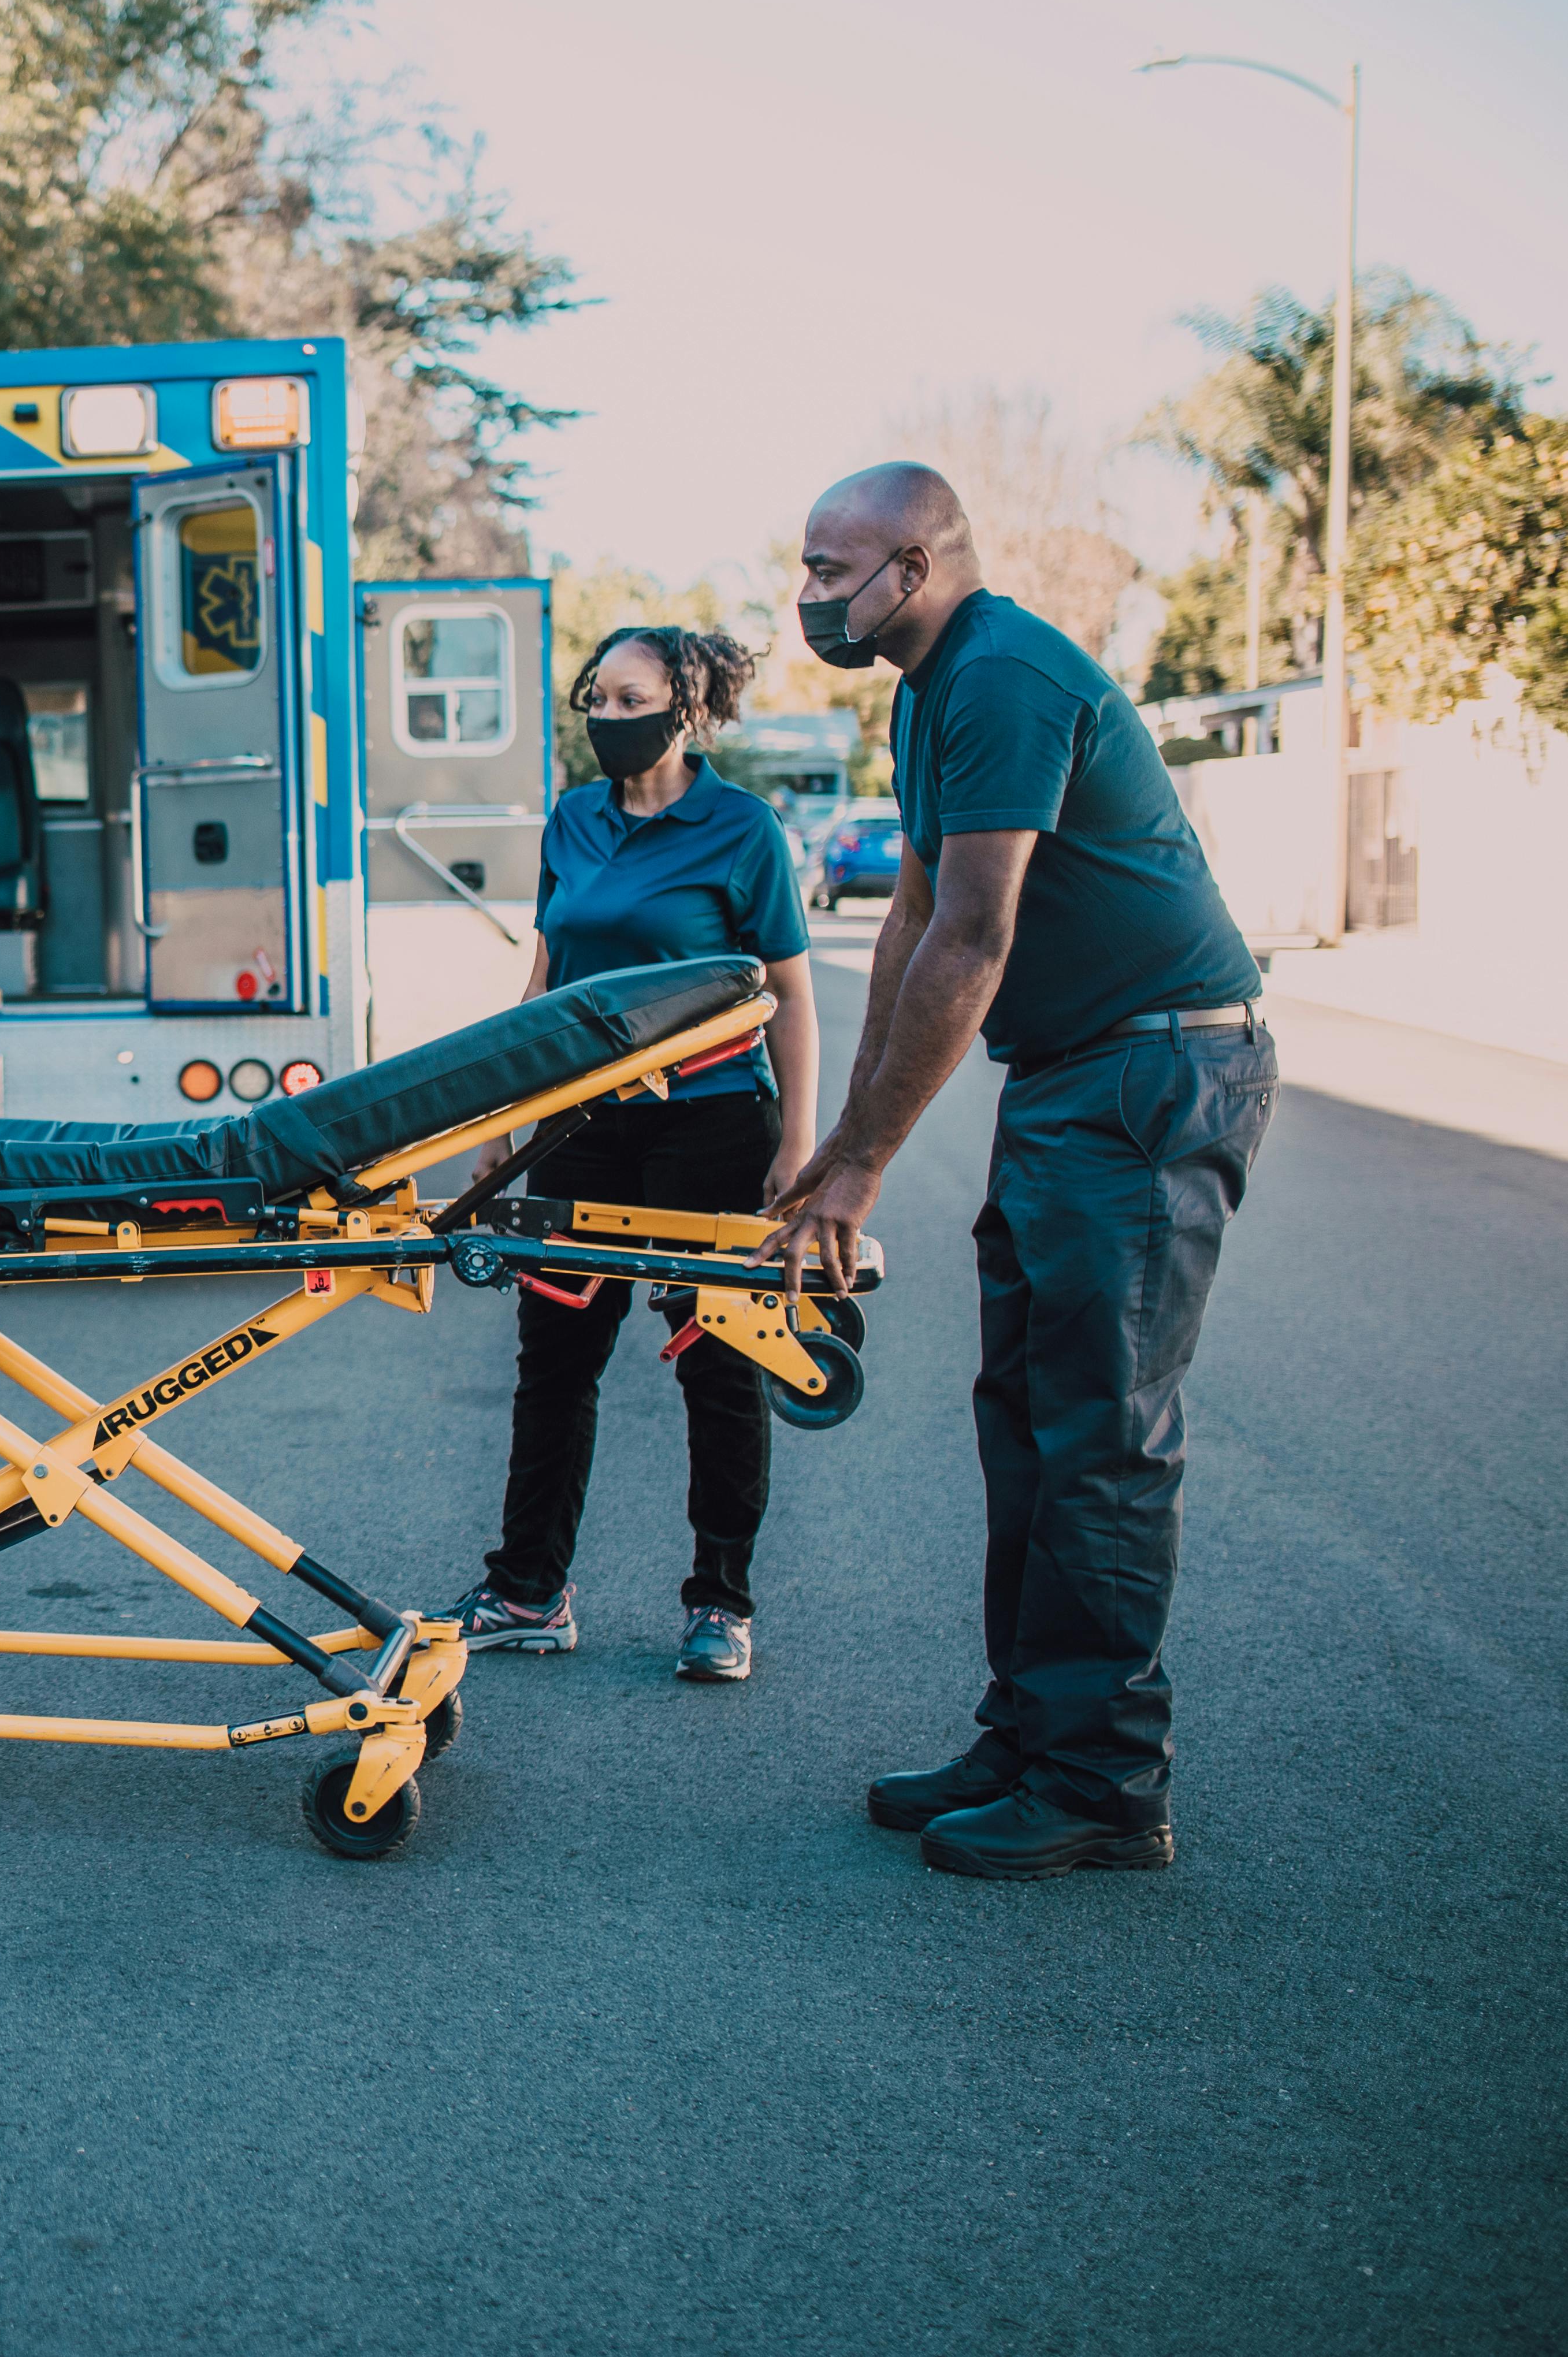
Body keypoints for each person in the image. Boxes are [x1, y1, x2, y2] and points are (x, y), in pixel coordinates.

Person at [760, 463, 1272, 1883]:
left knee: (1099, 1431)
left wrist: (866, 1163)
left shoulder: (1001, 677)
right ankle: (1031, 1734)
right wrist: (835, 1149)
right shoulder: (928, 692)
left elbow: (976, 938)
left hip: (1152, 1070)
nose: (809, 596)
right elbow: (910, 921)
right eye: (801, 571)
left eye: (828, 568)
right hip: (1075, 1075)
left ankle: (1106, 1781)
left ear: (914, 568)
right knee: (1030, 1420)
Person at [448, 626, 819, 1683]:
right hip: (581, 1129)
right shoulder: (571, 818)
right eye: (596, 699)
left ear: (687, 709)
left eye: (630, 699)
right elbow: (546, 982)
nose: (608, 719)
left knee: (717, 1360)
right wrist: (498, 1130)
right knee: (555, 1360)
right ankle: (528, 1590)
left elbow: (788, 997)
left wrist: (797, 1145)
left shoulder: (742, 830)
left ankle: (720, 1604)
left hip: (708, 1125)